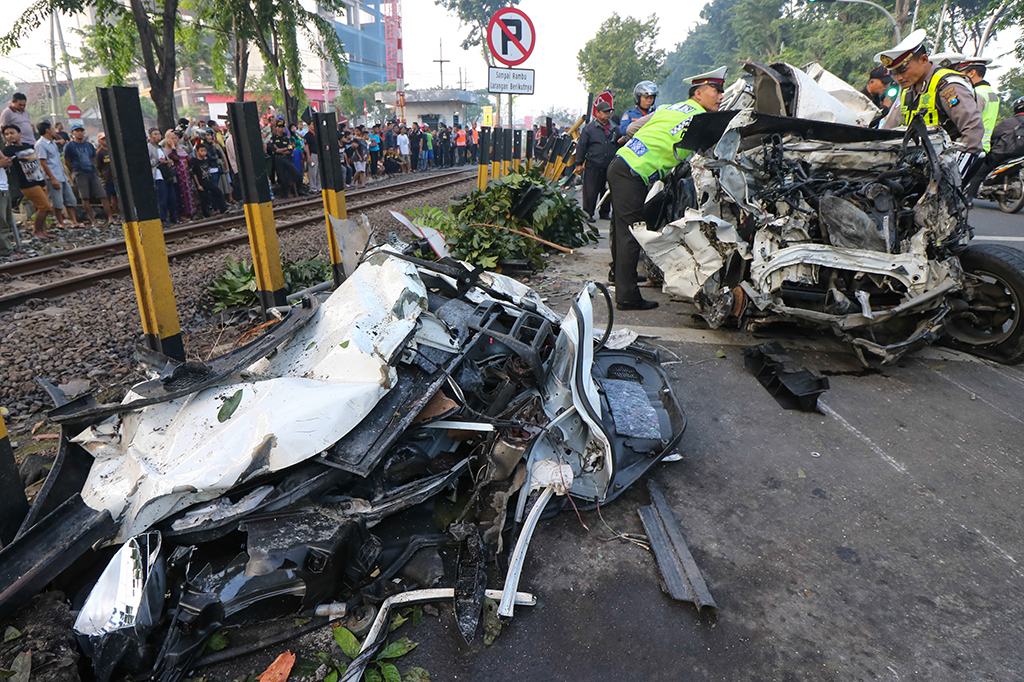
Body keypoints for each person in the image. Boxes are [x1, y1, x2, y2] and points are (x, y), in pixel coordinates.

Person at [608, 66, 728, 311]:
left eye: (721, 91)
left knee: (626, 233)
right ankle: (628, 297)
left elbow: (631, 129)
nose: (720, 96)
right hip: (632, 172)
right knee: (633, 233)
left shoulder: (668, 108)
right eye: (715, 90)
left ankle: (624, 291)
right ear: (698, 93)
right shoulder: (702, 120)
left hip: (623, 165)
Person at [879, 29, 984, 167]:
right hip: (916, 165)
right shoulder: (907, 91)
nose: (899, 78)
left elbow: (973, 128)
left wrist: (955, 172)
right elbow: (887, 129)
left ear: (923, 60)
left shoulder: (948, 86)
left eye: (903, 71)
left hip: (945, 165)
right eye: (893, 73)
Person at [2, 123, 56, 239]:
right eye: (6, 134)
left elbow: (37, 162)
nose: (9, 136)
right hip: (26, 183)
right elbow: (6, 163)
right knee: (45, 207)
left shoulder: (28, 146)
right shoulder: (8, 150)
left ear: (19, 134)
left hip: (39, 179)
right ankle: (36, 231)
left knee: (39, 208)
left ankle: (43, 231)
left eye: (12, 133)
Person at [965, 96, 1024, 201]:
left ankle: (968, 199)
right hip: (1020, 155)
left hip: (1002, 153)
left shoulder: (1009, 122)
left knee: (979, 173)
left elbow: (994, 135)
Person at [574, 100, 617, 223]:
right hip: (593, 164)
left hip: (609, 164)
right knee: (590, 190)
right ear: (597, 113)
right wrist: (579, 163)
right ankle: (588, 213)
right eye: (604, 112)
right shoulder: (589, 129)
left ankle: (605, 212)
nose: (607, 114)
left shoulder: (614, 128)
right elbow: (582, 146)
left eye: (609, 112)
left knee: (608, 190)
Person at [65, 124, 115, 226]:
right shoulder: (69, 146)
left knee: (103, 195)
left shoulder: (89, 145)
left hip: (91, 171)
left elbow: (94, 158)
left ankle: (110, 217)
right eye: (76, 130)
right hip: (79, 172)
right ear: (72, 133)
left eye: (81, 130)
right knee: (85, 197)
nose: (79, 132)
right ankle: (93, 220)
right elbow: (67, 162)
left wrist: (94, 169)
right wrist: (74, 172)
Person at [35, 121, 80, 229]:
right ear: (48, 130)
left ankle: (74, 221)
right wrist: (52, 178)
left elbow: (58, 162)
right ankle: (61, 222)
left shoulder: (53, 143)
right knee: (57, 202)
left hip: (61, 175)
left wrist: (67, 176)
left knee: (70, 200)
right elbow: (43, 163)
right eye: (52, 129)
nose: (54, 131)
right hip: (53, 176)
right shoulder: (40, 144)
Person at [955, 57, 1001, 153]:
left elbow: (968, 120)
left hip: (972, 146)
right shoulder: (989, 92)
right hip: (984, 146)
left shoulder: (976, 93)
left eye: (960, 73)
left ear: (972, 73)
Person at [189, 143, 229, 217]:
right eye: (202, 151)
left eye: (205, 151)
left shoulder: (207, 159)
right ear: (197, 151)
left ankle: (223, 209)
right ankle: (206, 215)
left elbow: (216, 158)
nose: (204, 153)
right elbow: (194, 174)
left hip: (209, 181)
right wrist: (198, 185)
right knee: (204, 199)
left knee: (218, 192)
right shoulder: (194, 161)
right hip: (202, 183)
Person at [164, 130, 196, 220]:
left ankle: (189, 212)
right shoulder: (167, 150)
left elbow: (188, 157)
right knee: (179, 193)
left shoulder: (181, 148)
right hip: (177, 174)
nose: (175, 140)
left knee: (187, 192)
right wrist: (173, 147)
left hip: (185, 174)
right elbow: (175, 158)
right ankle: (181, 214)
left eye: (176, 138)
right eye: (172, 138)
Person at [148, 127, 178, 226]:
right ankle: (163, 219)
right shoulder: (149, 147)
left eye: (158, 134)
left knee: (172, 198)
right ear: (151, 137)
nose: (157, 136)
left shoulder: (161, 147)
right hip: (158, 175)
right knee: (162, 199)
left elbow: (166, 158)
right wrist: (157, 161)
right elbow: (147, 162)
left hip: (166, 174)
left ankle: (174, 218)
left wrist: (168, 161)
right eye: (155, 134)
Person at [269, 121, 302, 197]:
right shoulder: (273, 138)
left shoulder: (287, 138)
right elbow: (274, 150)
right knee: (282, 177)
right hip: (278, 160)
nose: (280, 129)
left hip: (287, 159)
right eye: (279, 127)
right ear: (276, 128)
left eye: (282, 127)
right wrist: (284, 149)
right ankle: (286, 193)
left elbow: (290, 149)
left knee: (296, 174)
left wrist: (280, 150)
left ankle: (299, 189)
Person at [94, 133, 120, 221]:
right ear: (100, 141)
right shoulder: (99, 152)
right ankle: (117, 214)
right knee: (113, 196)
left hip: (118, 175)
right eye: (103, 139)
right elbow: (98, 165)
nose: (105, 140)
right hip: (109, 176)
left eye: (106, 138)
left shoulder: (113, 149)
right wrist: (103, 174)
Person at [0, 149, 18, 257]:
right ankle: (5, 250)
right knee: (1, 223)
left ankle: (9, 248)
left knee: (7, 220)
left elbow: (5, 160)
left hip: (3, 188)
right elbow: (3, 161)